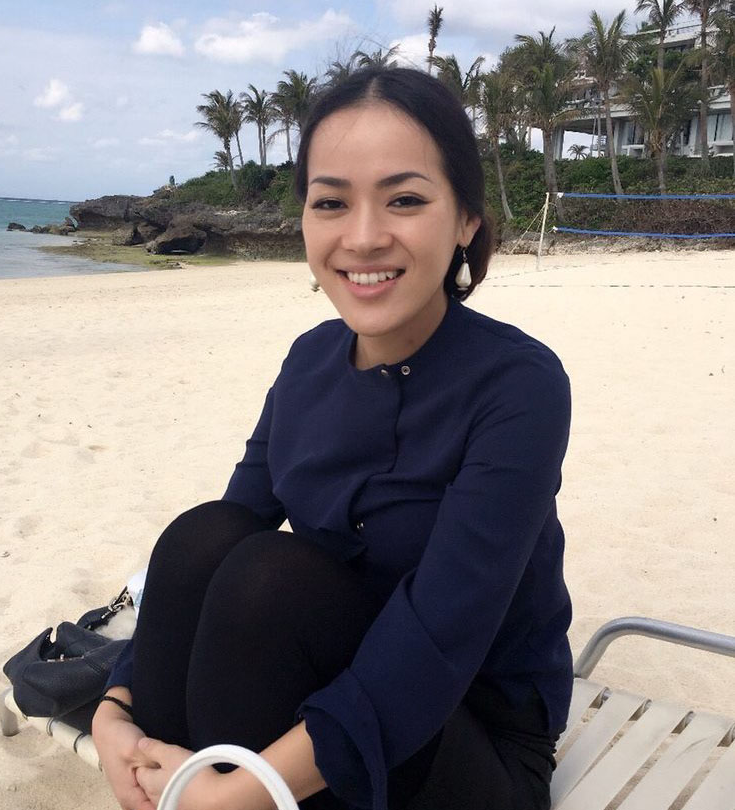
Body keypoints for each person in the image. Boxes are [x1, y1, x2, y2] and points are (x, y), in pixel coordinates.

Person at [91, 66, 572, 810]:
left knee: (269, 579)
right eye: (331, 202)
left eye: (405, 200)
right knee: (207, 535)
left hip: (466, 725)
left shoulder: (518, 387)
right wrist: (115, 703)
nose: (364, 237)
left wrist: (245, 791)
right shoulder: (309, 360)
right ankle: (165, 775)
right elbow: (212, 550)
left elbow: (440, 638)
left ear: (466, 221)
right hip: (324, 681)